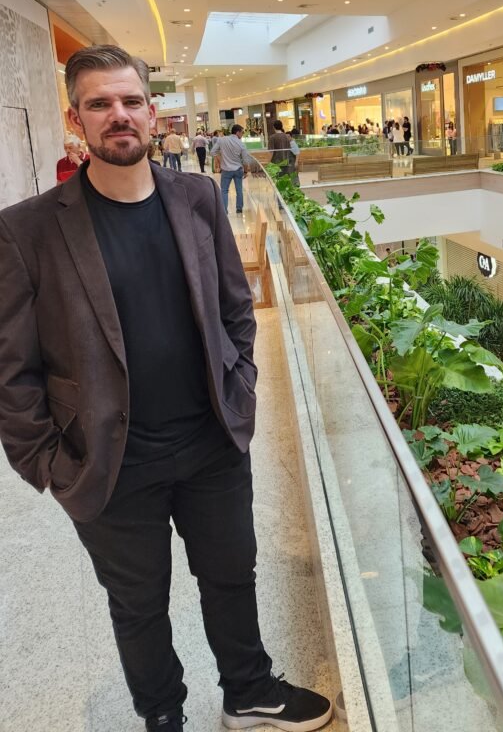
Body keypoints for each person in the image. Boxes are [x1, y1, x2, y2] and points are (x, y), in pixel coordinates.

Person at [0, 45, 331, 732]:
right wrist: (50, 464)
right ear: (76, 119)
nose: (118, 115)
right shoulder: (28, 228)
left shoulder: (196, 197)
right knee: (138, 603)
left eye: (130, 101)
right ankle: (162, 714)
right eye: (99, 104)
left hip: (211, 441)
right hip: (109, 460)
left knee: (232, 574)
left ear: (153, 113)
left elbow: (235, 309)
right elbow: (12, 369)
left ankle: (247, 691)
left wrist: (240, 390)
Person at [212, 124, 253, 215]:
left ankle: (224, 210)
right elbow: (245, 160)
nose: (242, 134)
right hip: (238, 169)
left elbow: (213, 151)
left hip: (226, 170)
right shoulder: (241, 144)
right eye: (242, 132)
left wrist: (220, 161)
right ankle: (239, 209)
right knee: (239, 190)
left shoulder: (221, 140)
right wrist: (246, 171)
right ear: (237, 132)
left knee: (224, 190)